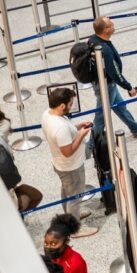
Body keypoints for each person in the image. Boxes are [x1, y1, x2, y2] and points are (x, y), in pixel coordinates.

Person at [41, 86, 96, 235]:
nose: (72, 106)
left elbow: (65, 132)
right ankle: (75, 228)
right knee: (75, 197)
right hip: (71, 167)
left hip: (59, 164)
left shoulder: (47, 114)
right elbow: (68, 151)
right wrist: (81, 135)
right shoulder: (60, 127)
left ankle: (70, 217)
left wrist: (77, 127)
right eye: (70, 104)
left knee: (66, 192)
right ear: (62, 105)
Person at [86, 16, 137, 139]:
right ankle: (90, 147)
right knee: (101, 118)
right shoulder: (105, 50)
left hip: (102, 82)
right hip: (106, 85)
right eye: (110, 24)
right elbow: (114, 72)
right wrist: (129, 87)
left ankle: (135, 128)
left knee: (120, 106)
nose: (113, 24)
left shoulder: (93, 39)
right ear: (105, 30)